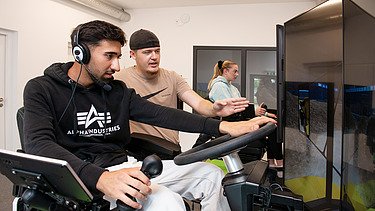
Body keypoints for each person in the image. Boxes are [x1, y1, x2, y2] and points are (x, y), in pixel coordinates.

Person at [22, 20, 276, 210]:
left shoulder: (116, 90)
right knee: (169, 203)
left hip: (124, 166)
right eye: (109, 56)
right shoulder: (41, 88)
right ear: (81, 53)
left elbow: (163, 115)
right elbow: (38, 144)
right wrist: (101, 178)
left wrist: (225, 128)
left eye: (118, 57)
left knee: (212, 177)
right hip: (80, 177)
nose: (116, 66)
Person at [116, 29, 250, 145]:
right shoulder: (119, 79)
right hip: (137, 150)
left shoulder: (172, 77)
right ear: (133, 54)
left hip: (170, 147)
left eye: (157, 51)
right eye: (147, 52)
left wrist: (214, 109)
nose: (154, 57)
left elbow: (198, 103)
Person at [200, 60, 282, 167]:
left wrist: (263, 114)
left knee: (271, 124)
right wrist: (254, 111)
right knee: (271, 127)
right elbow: (229, 110)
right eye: (235, 71)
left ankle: (272, 163)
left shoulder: (233, 88)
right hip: (229, 124)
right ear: (225, 71)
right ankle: (279, 162)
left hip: (238, 120)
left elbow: (241, 106)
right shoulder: (219, 86)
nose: (237, 74)